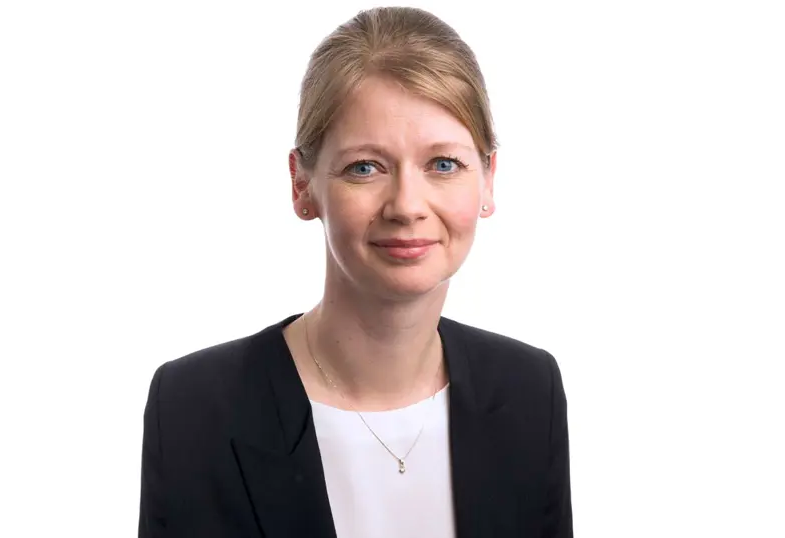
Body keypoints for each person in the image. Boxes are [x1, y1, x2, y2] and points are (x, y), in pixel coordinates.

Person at [138, 6, 572, 538]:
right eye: (365, 167)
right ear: (302, 184)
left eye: (444, 164)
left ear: (488, 179)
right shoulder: (194, 410)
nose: (407, 206)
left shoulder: (530, 392)